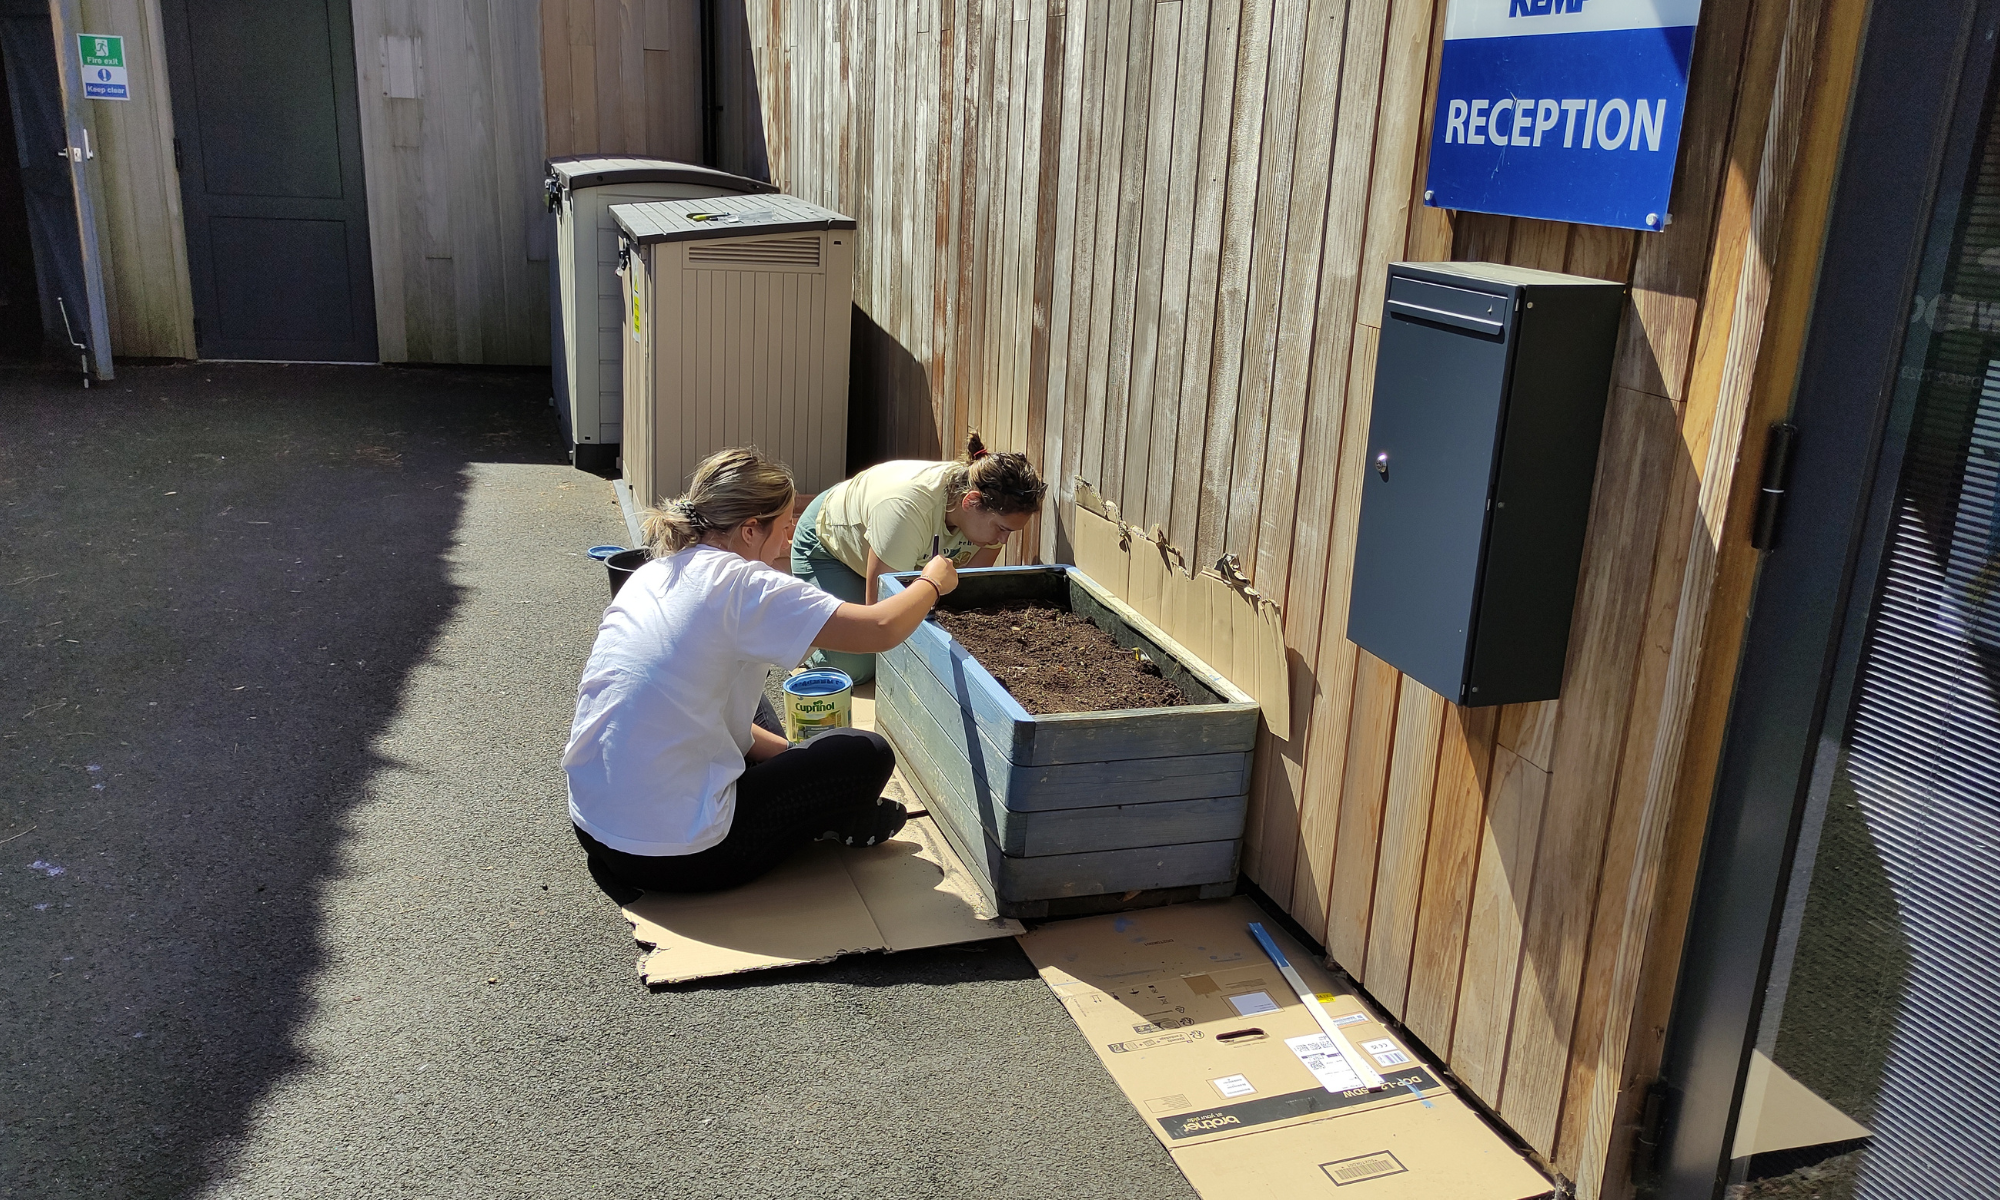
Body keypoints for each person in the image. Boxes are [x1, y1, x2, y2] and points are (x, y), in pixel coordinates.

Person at [563, 447, 960, 896]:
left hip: (596, 828)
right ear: (751, 529)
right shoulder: (745, 585)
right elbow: (881, 628)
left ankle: (810, 797)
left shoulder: (653, 572)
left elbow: (704, 709)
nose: (789, 539)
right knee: (866, 754)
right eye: (786, 524)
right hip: (683, 856)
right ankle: (835, 818)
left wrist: (794, 759)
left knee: (754, 704)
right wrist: (932, 581)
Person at [791, 432, 1046, 682]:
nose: (1003, 541)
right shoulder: (905, 510)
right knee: (858, 664)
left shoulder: (991, 515)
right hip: (829, 546)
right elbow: (879, 615)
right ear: (970, 502)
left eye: (1010, 532)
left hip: (885, 555)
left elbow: (960, 594)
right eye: (1001, 529)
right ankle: (801, 629)